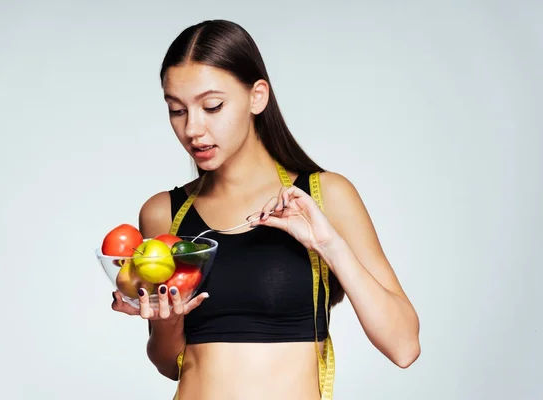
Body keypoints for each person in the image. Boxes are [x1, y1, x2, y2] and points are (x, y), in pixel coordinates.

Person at [111, 19, 421, 400]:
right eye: (177, 110)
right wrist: (169, 320)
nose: (193, 129)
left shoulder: (325, 195)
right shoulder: (164, 214)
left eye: (212, 106)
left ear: (257, 96)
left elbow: (404, 347)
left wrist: (329, 245)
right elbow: (168, 363)